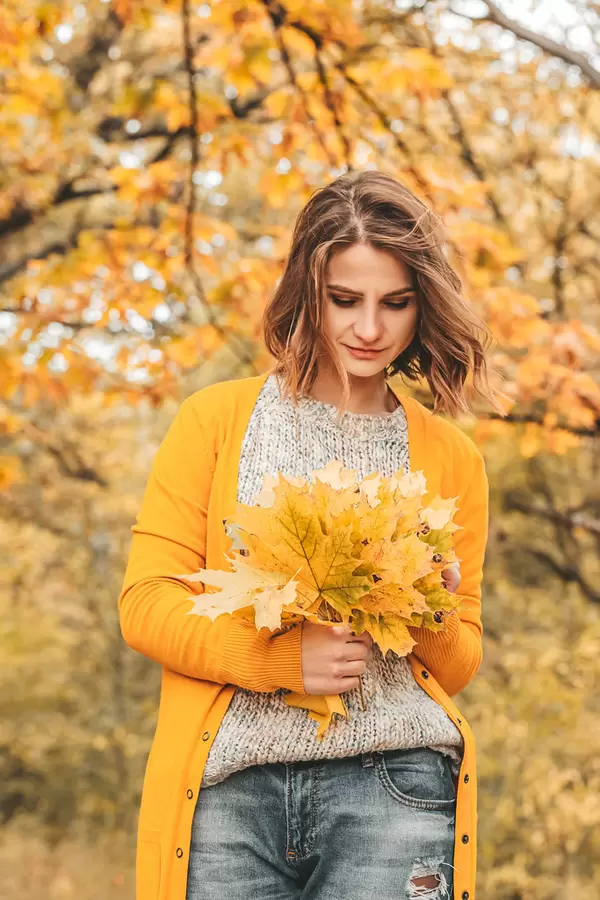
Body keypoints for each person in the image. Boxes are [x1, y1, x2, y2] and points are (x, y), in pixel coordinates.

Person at [118, 170, 503, 900]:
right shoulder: (215, 421)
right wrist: (279, 660)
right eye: (345, 300)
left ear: (423, 304)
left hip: (395, 784)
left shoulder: (452, 458)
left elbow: (456, 666)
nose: (369, 328)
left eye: (395, 303)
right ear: (307, 292)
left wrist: (429, 607)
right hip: (231, 790)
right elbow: (145, 603)